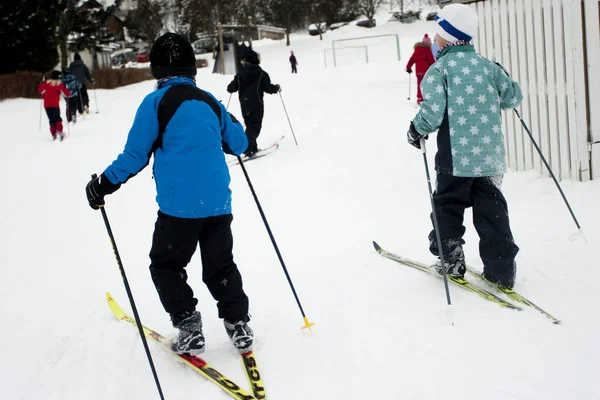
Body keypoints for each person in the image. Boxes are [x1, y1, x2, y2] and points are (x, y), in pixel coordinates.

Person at [85, 33, 253, 356]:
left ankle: (189, 325)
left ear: (156, 70)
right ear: (192, 68)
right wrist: (227, 119)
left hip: (179, 210)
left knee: (165, 265)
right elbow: (240, 143)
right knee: (220, 267)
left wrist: (102, 184)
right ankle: (238, 323)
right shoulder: (208, 101)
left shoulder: (155, 103)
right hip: (218, 205)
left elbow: (134, 156)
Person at [406, 4, 523, 290]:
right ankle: (501, 270)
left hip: (454, 159)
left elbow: (432, 113)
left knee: (447, 206)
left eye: (437, 35)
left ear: (446, 37)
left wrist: (415, 129)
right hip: (489, 158)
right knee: (492, 212)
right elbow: (512, 98)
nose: (435, 40)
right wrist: (504, 76)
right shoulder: (489, 67)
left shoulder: (439, 70)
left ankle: (451, 260)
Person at [227, 49, 281, 158]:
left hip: (245, 104)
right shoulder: (262, 74)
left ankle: (253, 147)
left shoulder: (240, 75)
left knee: (250, 124)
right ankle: (247, 148)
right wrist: (276, 88)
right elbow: (268, 88)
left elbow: (231, 88)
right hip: (257, 103)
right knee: (255, 125)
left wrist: (234, 85)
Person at [38, 70, 70, 140]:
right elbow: (66, 94)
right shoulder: (59, 84)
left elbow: (40, 91)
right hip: (55, 105)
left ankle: (53, 134)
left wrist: (41, 84)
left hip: (46, 105)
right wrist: (67, 88)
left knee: (51, 119)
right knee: (57, 118)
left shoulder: (46, 84)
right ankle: (59, 131)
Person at [405, 36, 435, 104]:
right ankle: (427, 98)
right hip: (426, 71)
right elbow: (431, 60)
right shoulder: (427, 50)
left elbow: (411, 59)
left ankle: (420, 98)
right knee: (427, 84)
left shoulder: (416, 50)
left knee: (419, 85)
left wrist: (408, 67)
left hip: (418, 72)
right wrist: (435, 66)